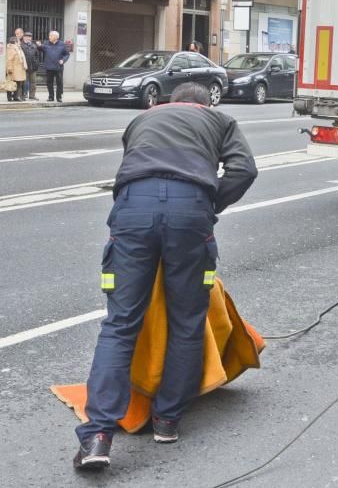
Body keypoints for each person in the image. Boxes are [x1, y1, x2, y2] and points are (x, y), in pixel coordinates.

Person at [73, 82, 258, 470]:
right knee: (187, 321)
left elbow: (131, 167)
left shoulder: (142, 119)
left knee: (120, 323)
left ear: (171, 103)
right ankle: (168, 420)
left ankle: (98, 437)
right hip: (190, 211)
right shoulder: (219, 120)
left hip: (133, 209)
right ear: (204, 105)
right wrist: (211, 204)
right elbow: (244, 170)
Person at [40, 30, 69, 102]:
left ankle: (59, 97)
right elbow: (40, 49)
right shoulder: (46, 43)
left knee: (59, 83)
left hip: (58, 67)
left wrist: (63, 60)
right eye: (49, 36)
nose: (49, 37)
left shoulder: (62, 44)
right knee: (49, 82)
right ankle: (51, 97)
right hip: (49, 67)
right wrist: (38, 45)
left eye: (51, 36)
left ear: (56, 37)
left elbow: (67, 54)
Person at [4, 36, 27, 101]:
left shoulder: (18, 48)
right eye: (18, 41)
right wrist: (9, 68)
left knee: (18, 83)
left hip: (19, 69)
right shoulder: (11, 48)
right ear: (15, 42)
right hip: (13, 69)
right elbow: (9, 59)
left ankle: (16, 96)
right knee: (11, 83)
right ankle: (9, 97)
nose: (20, 42)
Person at [20, 31, 40, 100]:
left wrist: (36, 63)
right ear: (23, 37)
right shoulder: (21, 45)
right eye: (26, 37)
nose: (28, 38)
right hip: (24, 67)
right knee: (24, 83)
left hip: (33, 67)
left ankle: (32, 95)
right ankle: (24, 95)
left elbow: (37, 55)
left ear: (31, 38)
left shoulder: (34, 45)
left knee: (33, 83)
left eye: (29, 37)